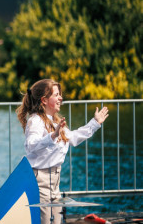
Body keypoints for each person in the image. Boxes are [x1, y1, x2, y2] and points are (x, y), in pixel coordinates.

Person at [16, 79, 109, 224]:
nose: (61, 98)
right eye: (57, 95)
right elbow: (30, 145)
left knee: (57, 220)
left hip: (55, 181)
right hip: (40, 180)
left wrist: (95, 123)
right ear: (44, 100)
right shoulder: (35, 121)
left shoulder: (55, 122)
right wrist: (52, 136)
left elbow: (74, 138)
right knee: (45, 220)